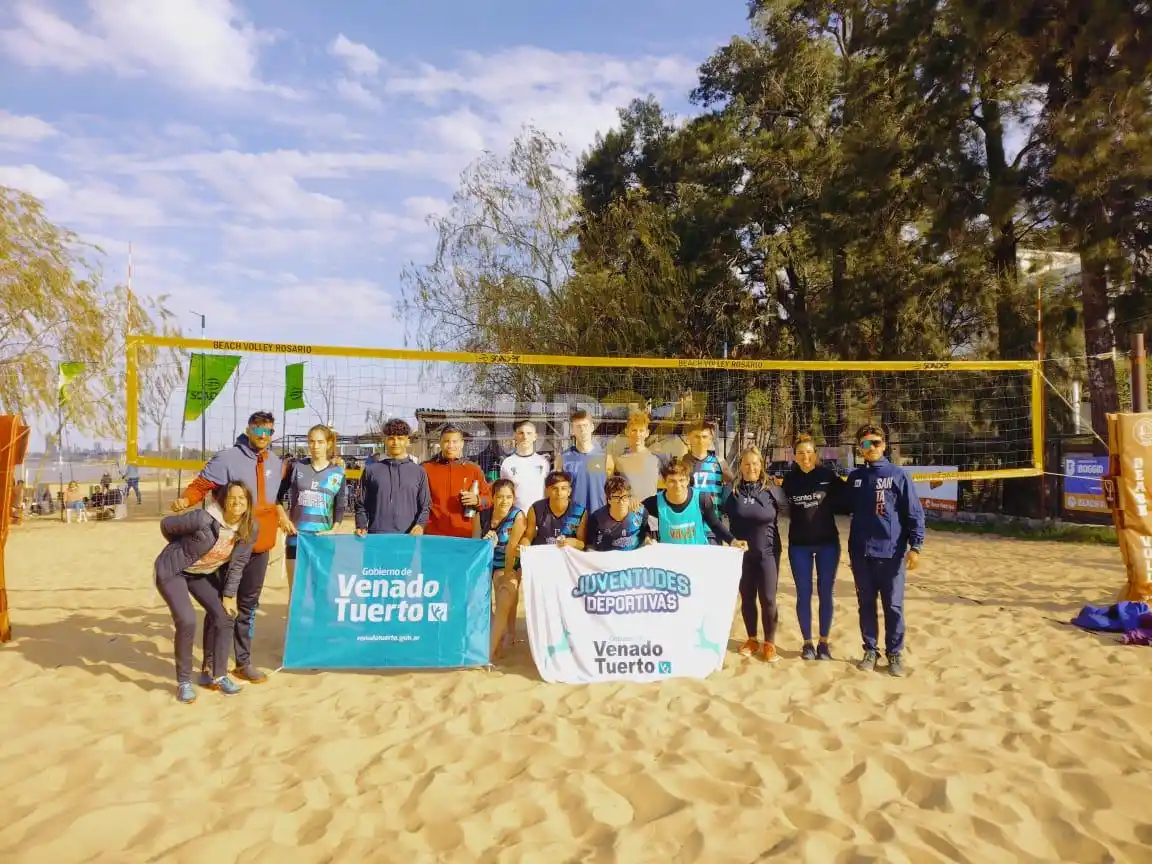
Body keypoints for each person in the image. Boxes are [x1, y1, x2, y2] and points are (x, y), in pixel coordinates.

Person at [171, 410, 288, 685]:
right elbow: (201, 485)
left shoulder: (276, 461)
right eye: (258, 430)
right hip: (228, 544)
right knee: (220, 608)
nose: (263, 436)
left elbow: (278, 497)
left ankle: (243, 662)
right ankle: (210, 665)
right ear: (248, 430)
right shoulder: (227, 458)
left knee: (248, 607)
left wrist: (282, 517)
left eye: (268, 431)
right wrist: (186, 501)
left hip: (259, 546)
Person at [154, 481, 256, 703]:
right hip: (174, 570)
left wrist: (229, 597)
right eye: (232, 497)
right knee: (187, 620)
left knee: (226, 616)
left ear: (248, 504)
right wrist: (184, 549)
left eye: (242, 498)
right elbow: (167, 525)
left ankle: (218, 675)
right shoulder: (203, 519)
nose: (237, 502)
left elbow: (237, 566)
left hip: (201, 574)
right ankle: (184, 682)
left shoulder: (249, 528)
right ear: (223, 501)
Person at [846, 423, 925, 678]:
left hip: (891, 554)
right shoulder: (856, 477)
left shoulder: (898, 475)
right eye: (865, 444)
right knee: (865, 604)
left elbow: (914, 513)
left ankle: (895, 653)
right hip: (861, 554)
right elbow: (836, 503)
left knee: (893, 606)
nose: (871, 448)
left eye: (876, 443)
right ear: (860, 448)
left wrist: (916, 547)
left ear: (884, 445)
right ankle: (870, 650)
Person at [782, 434, 845, 661]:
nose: (805, 456)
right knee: (804, 594)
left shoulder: (828, 476)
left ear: (815, 454)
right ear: (794, 456)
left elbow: (848, 500)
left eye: (809, 452)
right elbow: (783, 508)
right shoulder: (789, 480)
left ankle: (824, 643)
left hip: (828, 543)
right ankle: (807, 643)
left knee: (826, 593)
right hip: (799, 545)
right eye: (800, 453)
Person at [722, 446, 786, 663]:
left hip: (768, 553)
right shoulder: (731, 492)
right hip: (741, 556)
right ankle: (751, 639)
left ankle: (769, 643)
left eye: (756, 463)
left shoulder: (773, 491)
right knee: (747, 598)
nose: (752, 468)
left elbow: (794, 513)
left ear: (762, 465)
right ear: (740, 466)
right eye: (747, 464)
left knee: (768, 599)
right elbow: (713, 518)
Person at [278, 424, 347, 597]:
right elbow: (276, 497)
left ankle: (318, 623)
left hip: (322, 539)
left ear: (329, 444)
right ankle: (294, 625)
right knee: (295, 592)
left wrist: (334, 530)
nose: (315, 446)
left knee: (320, 591)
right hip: (297, 538)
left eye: (320, 442)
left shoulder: (338, 472)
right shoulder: (296, 467)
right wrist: (284, 519)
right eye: (312, 442)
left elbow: (340, 506)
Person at [472, 478, 526, 658]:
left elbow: (512, 548)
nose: (504, 501)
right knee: (481, 601)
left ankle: (491, 648)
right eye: (500, 497)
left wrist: (508, 574)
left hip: (508, 563)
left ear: (514, 498)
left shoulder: (517, 516)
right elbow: (475, 547)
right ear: (493, 498)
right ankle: (502, 632)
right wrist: (485, 543)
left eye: (508, 497)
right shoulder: (482, 515)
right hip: (487, 563)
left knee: (505, 596)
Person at [643, 457, 743, 547]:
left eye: (681, 480)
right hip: (670, 562)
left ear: (687, 480)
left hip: (696, 559)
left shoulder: (701, 499)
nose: (677, 485)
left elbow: (715, 524)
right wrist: (646, 536)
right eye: (672, 481)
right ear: (664, 482)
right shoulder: (656, 502)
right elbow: (637, 516)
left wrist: (733, 541)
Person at [355, 419, 430, 537]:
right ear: (385, 440)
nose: (395, 442)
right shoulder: (371, 470)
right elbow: (361, 505)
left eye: (400, 438)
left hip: (407, 539)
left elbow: (425, 506)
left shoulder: (419, 472)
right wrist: (361, 525)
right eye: (391, 438)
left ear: (407, 441)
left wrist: (420, 525)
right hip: (376, 539)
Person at [422, 424, 491, 538]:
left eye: (455, 441)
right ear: (440, 442)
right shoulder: (426, 468)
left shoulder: (473, 469)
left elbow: (488, 499)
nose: (450, 445)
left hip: (463, 534)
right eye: (446, 441)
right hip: (433, 535)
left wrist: (477, 500)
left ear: (462, 443)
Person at [683, 419, 734, 544]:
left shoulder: (720, 463)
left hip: (713, 528)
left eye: (704, 436)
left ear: (710, 438)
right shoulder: (682, 464)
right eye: (696, 436)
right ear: (689, 438)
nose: (700, 440)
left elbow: (731, 488)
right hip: (688, 528)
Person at [562, 410, 614, 517]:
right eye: (578, 426)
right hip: (573, 518)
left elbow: (612, 491)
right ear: (572, 430)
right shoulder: (563, 458)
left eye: (585, 425)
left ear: (592, 427)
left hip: (599, 518)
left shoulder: (606, 458)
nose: (582, 430)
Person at [521, 471, 586, 547]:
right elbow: (528, 537)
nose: (559, 493)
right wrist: (523, 546)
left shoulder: (580, 511)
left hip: (566, 555)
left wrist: (574, 543)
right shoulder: (536, 508)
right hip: (542, 554)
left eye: (563, 488)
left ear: (569, 491)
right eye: (555, 488)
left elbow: (583, 544)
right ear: (547, 491)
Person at [587, 475, 650, 551]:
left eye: (624, 496)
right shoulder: (597, 518)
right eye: (616, 498)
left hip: (634, 559)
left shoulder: (641, 513)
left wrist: (648, 539)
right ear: (609, 500)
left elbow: (647, 533)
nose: (621, 502)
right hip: (608, 559)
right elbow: (590, 545)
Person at [500, 420, 550, 515]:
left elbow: (547, 491)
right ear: (515, 436)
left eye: (529, 433)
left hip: (539, 517)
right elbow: (504, 493)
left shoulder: (544, 462)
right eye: (521, 433)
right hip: (515, 518)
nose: (525, 437)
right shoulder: (507, 463)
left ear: (535, 437)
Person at [614, 411, 664, 501]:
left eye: (641, 431)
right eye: (634, 430)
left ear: (647, 433)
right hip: (629, 511)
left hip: (651, 511)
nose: (637, 435)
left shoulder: (657, 459)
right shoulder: (619, 461)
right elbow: (615, 489)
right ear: (627, 432)